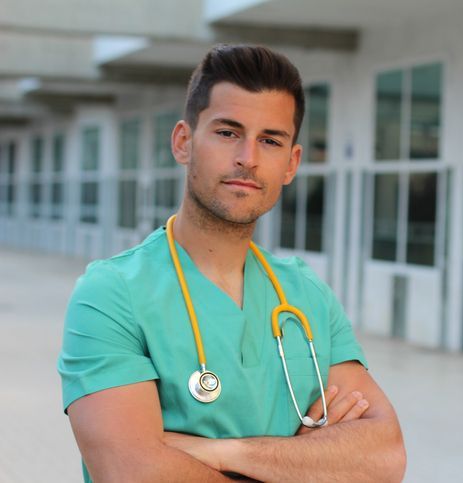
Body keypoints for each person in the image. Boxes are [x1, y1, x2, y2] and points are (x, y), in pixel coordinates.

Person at [58, 44, 406, 482]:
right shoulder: (112, 294)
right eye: (227, 132)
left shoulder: (305, 294)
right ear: (184, 142)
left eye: (270, 140)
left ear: (291, 163)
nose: (248, 157)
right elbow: (133, 472)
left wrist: (223, 452)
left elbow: (384, 456)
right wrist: (307, 460)